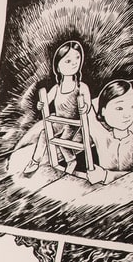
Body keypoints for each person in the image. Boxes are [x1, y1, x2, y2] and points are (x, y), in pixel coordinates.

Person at [22, 40, 93, 176]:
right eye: (68, 61)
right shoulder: (57, 88)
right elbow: (45, 101)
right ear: (58, 67)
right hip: (59, 121)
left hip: (73, 123)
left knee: (63, 141)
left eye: (77, 58)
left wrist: (85, 107)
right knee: (44, 134)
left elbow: (87, 104)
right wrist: (40, 105)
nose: (74, 63)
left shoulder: (81, 87)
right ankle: (35, 161)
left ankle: (71, 161)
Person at [87, 79, 133, 184]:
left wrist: (105, 176)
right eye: (119, 108)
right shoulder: (102, 136)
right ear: (103, 110)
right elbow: (89, 115)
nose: (127, 115)